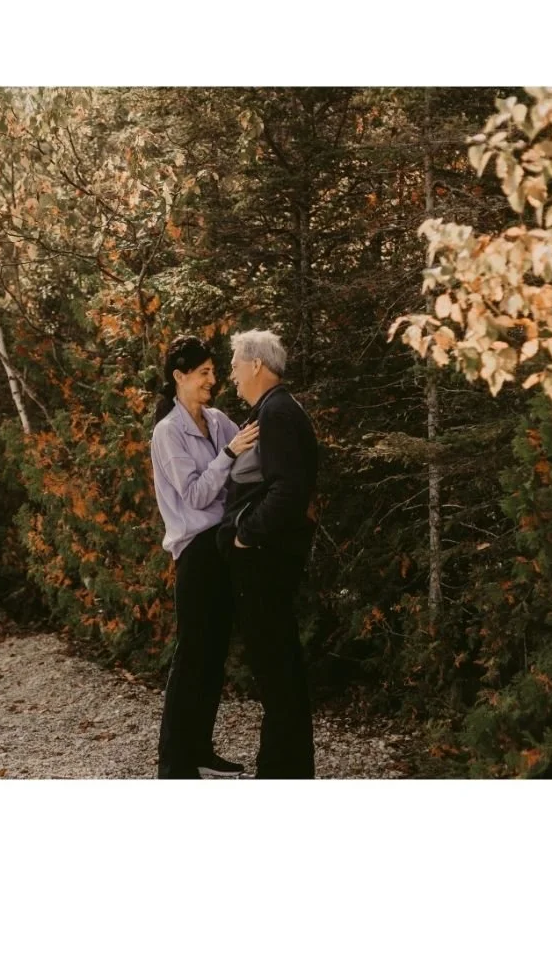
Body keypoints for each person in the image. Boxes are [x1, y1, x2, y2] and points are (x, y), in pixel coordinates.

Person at [150, 336, 260, 779]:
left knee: (214, 655)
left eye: (214, 372)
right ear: (179, 376)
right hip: (194, 551)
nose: (213, 380)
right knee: (192, 655)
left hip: (222, 546)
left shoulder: (217, 421)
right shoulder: (168, 432)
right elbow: (195, 495)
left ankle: (200, 751)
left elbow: (251, 454)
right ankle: (174, 764)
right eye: (203, 373)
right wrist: (229, 454)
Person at [217, 329, 319, 779]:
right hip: (269, 556)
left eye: (235, 365)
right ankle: (285, 768)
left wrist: (246, 535)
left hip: (265, 560)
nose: (232, 375)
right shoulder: (274, 409)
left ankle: (280, 773)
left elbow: (289, 490)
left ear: (256, 364)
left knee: (276, 668)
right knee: (279, 666)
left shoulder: (276, 413)